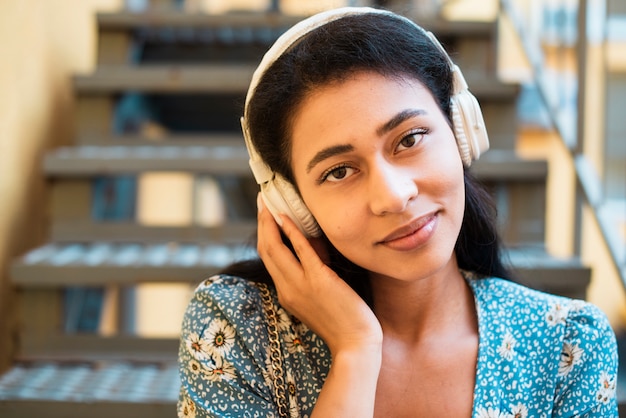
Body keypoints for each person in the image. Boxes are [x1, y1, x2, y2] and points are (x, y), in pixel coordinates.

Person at [177, 7, 618, 417]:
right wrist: (355, 350)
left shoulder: (566, 344)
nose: (392, 196)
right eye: (339, 171)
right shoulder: (235, 329)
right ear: (293, 204)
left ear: (461, 130)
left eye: (409, 139)